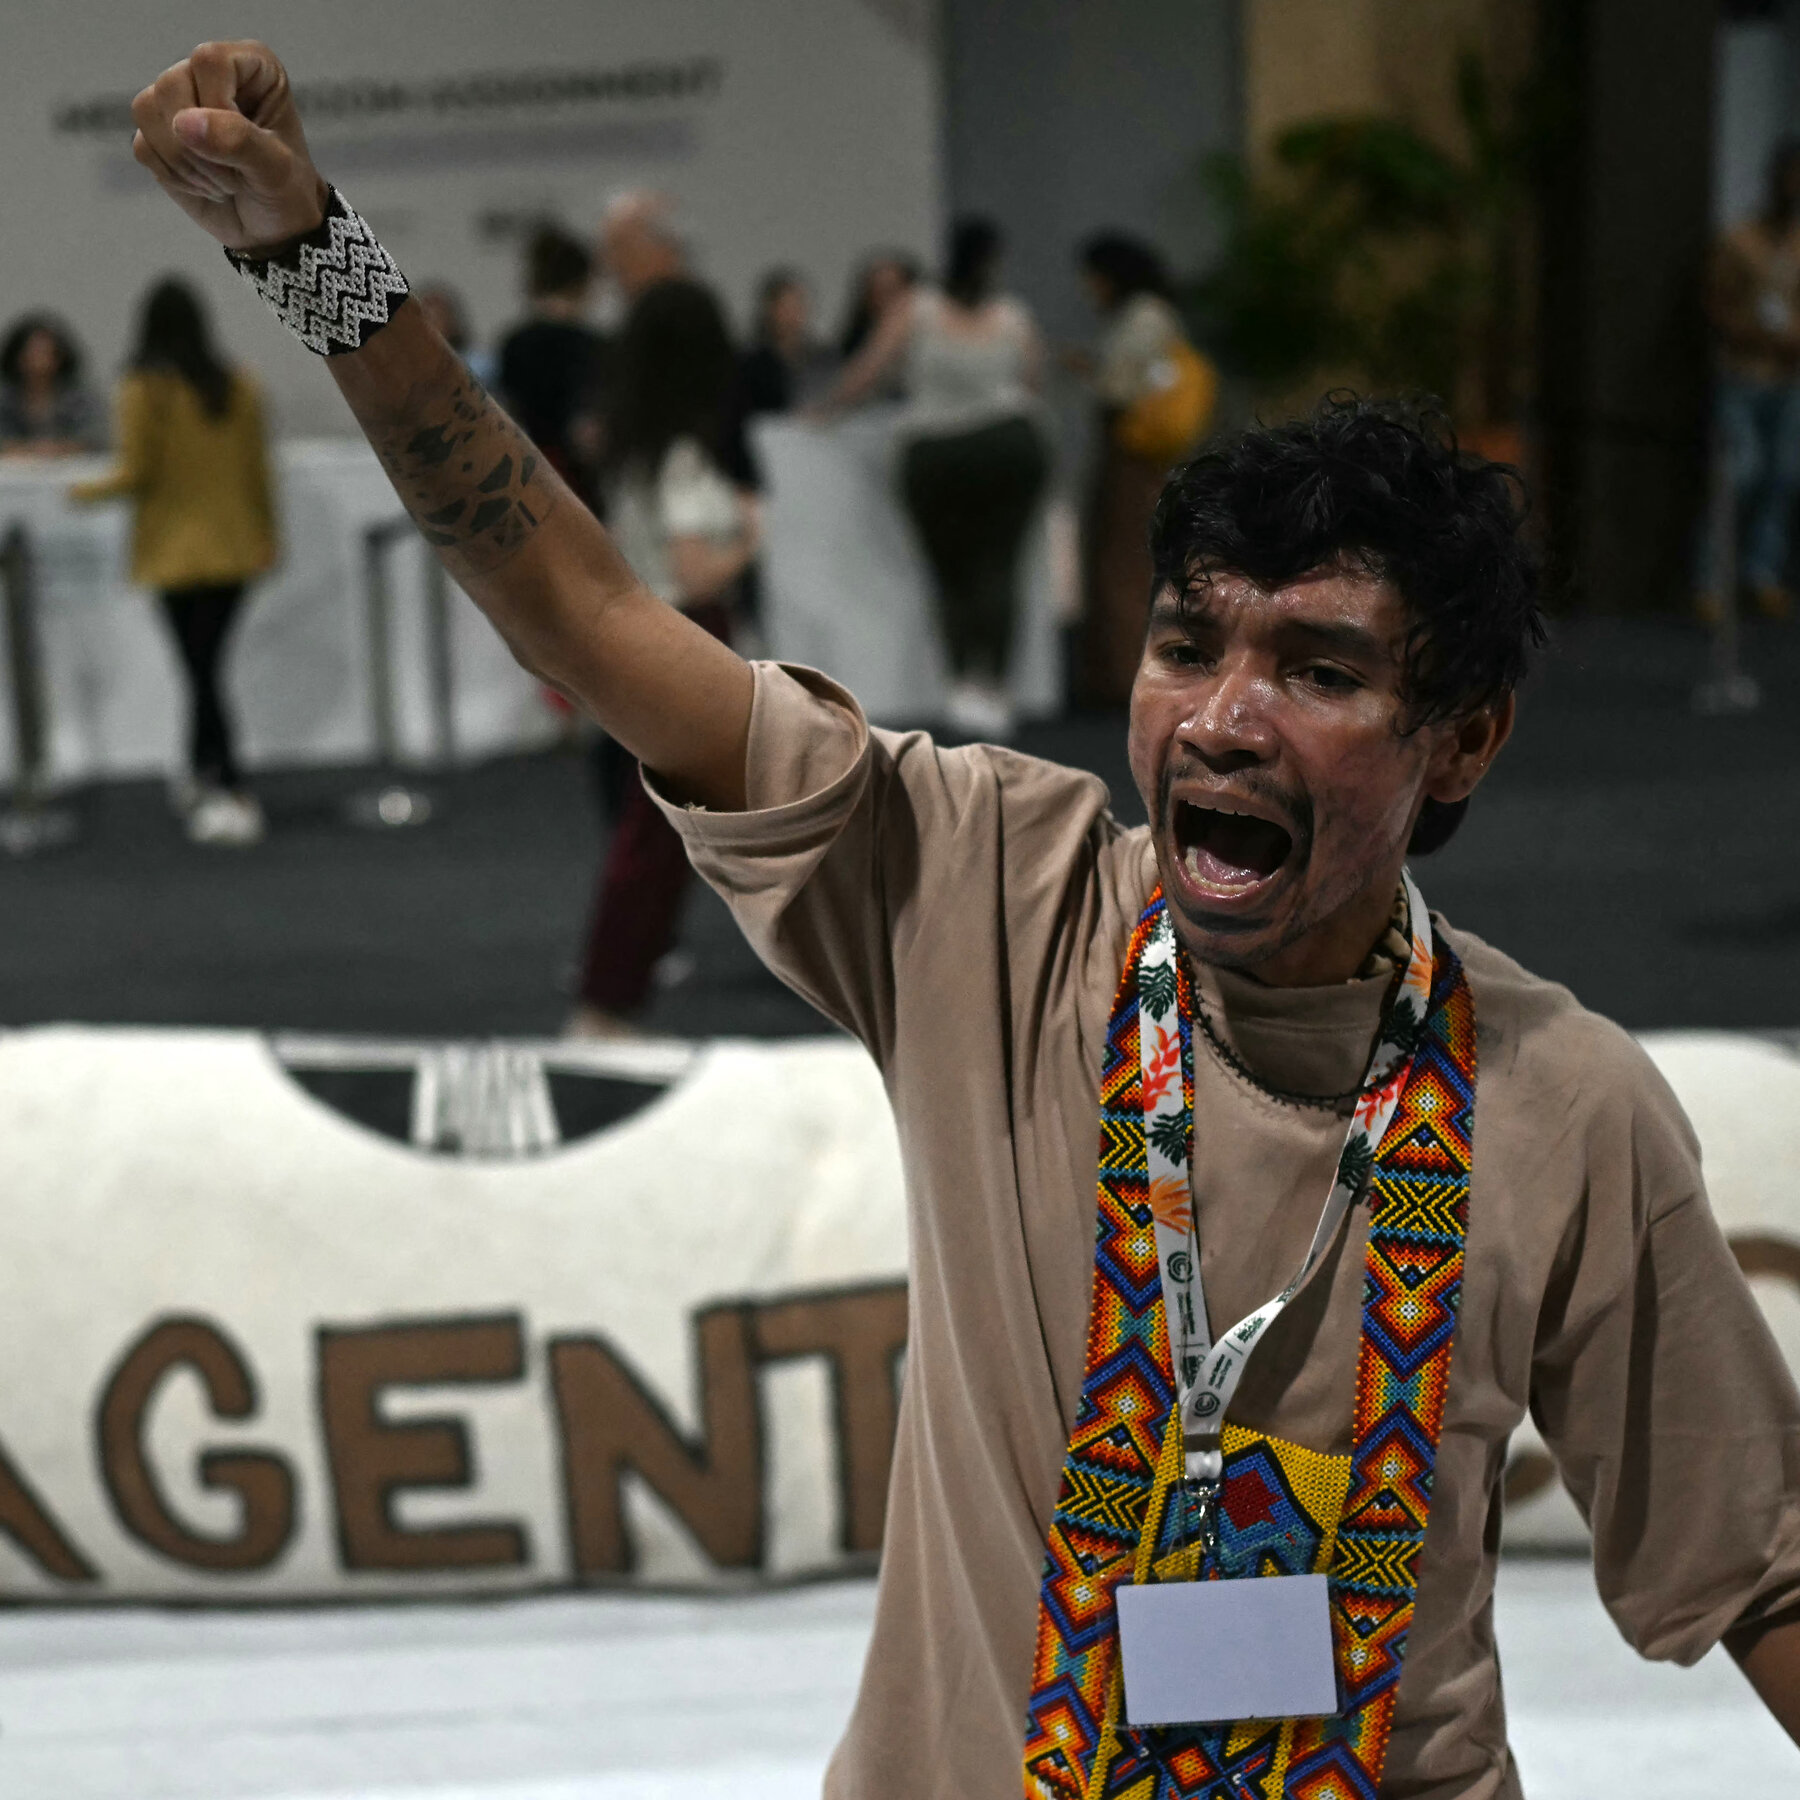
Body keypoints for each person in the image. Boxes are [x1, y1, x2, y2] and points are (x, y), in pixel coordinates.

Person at [130, 44, 1800, 1798]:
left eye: (1319, 671)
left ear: (1464, 738)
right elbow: (589, 609)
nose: (1224, 719)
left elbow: (1759, 1565)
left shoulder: (1560, 1106)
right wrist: (315, 261)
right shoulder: (992, 892)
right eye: (1185, 646)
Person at [569, 278, 760, 1036]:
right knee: (659, 835)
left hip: (647, 641)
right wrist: (749, 539)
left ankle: (613, 993)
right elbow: (694, 571)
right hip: (690, 641)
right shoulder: (679, 455)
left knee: (672, 831)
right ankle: (605, 1001)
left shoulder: (629, 447)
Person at [822, 216, 1050, 739]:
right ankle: (994, 686)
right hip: (1009, 447)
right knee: (1000, 567)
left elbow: (869, 371)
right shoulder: (1013, 316)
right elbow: (1032, 381)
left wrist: (822, 411)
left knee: (950, 571)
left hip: (936, 454)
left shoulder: (916, 309)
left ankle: (963, 684)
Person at [70, 276, 275, 846]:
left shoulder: (143, 390)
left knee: (200, 671)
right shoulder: (239, 384)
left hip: (173, 553)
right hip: (234, 548)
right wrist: (268, 536)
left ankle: (227, 784)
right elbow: (258, 472)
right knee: (205, 668)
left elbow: (136, 473)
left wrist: (75, 491)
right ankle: (201, 770)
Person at [1073, 231, 1217, 706]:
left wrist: (1093, 374)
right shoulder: (1156, 315)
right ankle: (1122, 672)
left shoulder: (1143, 318)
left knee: (1125, 563)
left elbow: (1120, 389)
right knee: (1130, 559)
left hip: (1135, 455)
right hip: (1144, 454)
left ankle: (1125, 675)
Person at [1705, 136, 1800, 620]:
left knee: (1784, 475)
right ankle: (1711, 579)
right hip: (1743, 375)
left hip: (1789, 378)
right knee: (1739, 474)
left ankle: (1762, 572)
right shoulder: (1740, 241)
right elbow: (1715, 305)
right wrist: (1752, 335)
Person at [496, 224, 607, 506]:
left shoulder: (513, 343)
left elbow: (508, 409)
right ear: (583, 282)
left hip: (527, 472)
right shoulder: (593, 345)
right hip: (578, 477)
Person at [0, 314, 105, 456]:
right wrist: (28, 451)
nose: (39, 361)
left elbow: (95, 438)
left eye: (46, 353)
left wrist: (60, 448)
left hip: (71, 466)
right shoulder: (5, 398)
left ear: (60, 357)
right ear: (17, 357)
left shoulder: (80, 397)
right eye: (32, 353)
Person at [740, 267, 832, 417]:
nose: (793, 315)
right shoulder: (751, 361)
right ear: (770, 310)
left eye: (798, 305)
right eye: (785, 307)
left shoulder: (823, 356)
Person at [835, 249, 921, 393]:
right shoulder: (851, 347)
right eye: (874, 292)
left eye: (891, 291)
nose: (882, 300)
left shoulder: (931, 344)